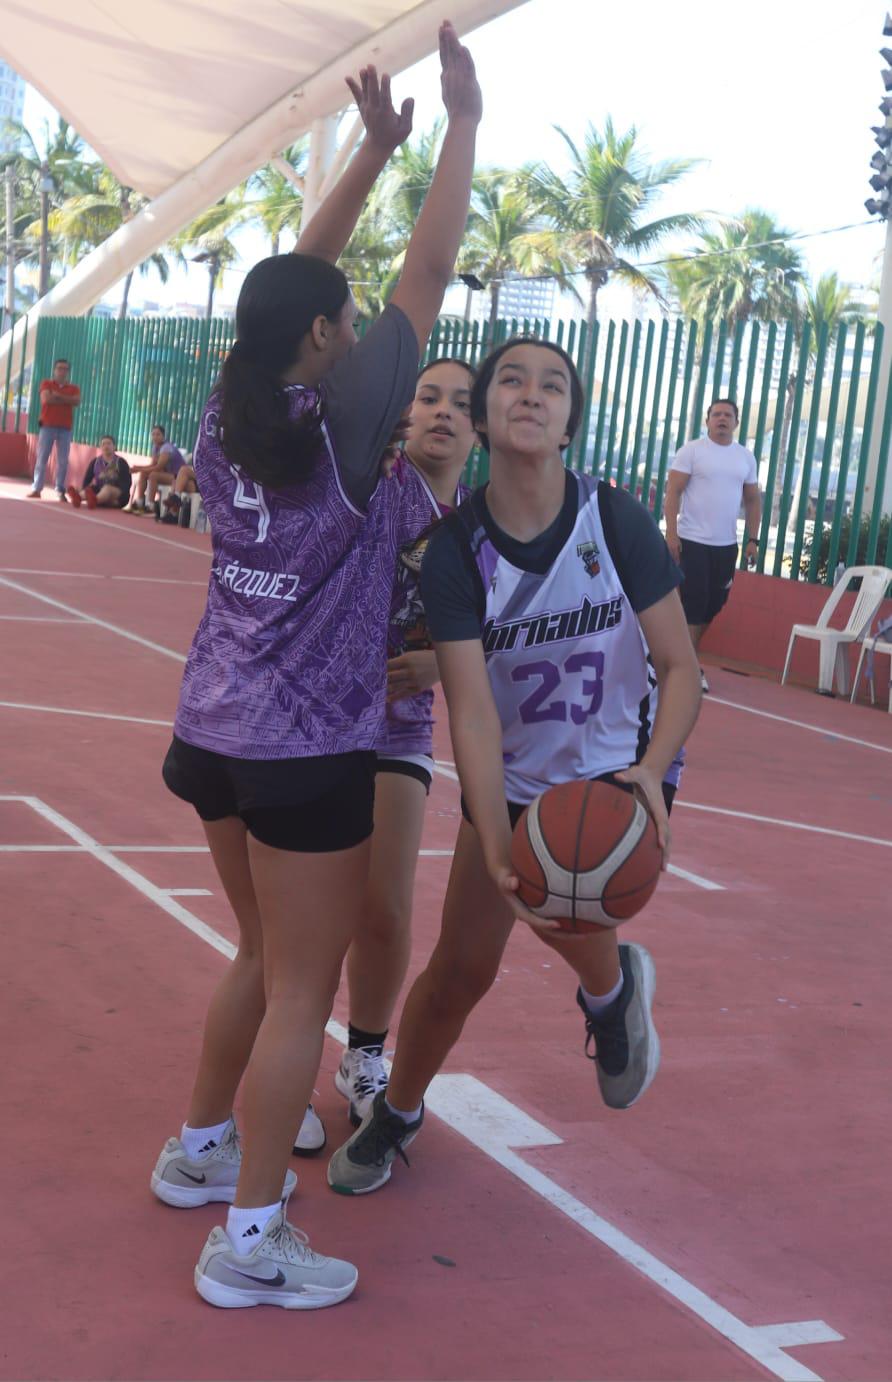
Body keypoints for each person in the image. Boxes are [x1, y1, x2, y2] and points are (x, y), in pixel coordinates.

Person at [151, 27, 482, 1310]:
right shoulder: (350, 422)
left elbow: (292, 284)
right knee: (302, 986)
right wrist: (456, 128)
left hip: (210, 729)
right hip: (305, 751)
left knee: (251, 953)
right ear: (334, 340)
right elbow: (432, 262)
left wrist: (371, 150)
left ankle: (197, 1148)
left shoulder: (231, 399)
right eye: (342, 321)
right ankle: (248, 1235)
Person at [326, 337, 701, 1197]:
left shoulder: (618, 519)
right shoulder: (458, 548)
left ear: (572, 420)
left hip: (616, 768)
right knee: (460, 969)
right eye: (511, 382)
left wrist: (651, 772)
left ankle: (608, 996)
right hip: (521, 772)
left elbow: (682, 669)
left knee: (570, 889)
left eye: (553, 386)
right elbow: (473, 709)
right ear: (488, 415)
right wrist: (496, 842)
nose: (531, 395)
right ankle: (401, 1108)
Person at [333, 357, 476, 1127]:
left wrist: (443, 663)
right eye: (428, 397)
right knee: (316, 911)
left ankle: (363, 1054)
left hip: (399, 723)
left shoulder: (482, 529)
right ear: (404, 411)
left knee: (386, 906)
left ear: (479, 427)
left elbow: (499, 640)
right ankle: (280, 1051)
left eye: (461, 402)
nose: (444, 412)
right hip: (321, 715)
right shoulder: (374, 487)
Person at [662, 398, 762, 693]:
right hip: (693, 541)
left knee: (714, 604)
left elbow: (753, 500)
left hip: (726, 545)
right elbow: (673, 493)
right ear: (707, 421)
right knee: (694, 603)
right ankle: (691, 667)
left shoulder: (745, 457)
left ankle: (680, 658)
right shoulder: (691, 451)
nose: (721, 418)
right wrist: (672, 533)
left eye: (727, 415)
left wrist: (753, 540)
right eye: (716, 414)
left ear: (736, 422)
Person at [27, 358, 81, 500]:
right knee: (42, 458)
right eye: (59, 368)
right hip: (47, 425)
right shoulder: (46, 383)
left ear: (68, 371)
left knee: (63, 460)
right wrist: (66, 399)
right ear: (54, 370)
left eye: (65, 369)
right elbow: (46, 399)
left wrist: (57, 396)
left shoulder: (74, 388)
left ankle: (59, 489)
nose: (62, 371)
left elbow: (76, 401)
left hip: (65, 428)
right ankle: (37, 488)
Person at [128, 425, 188, 512]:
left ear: (163, 436)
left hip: (177, 477)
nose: (155, 437)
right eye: (153, 434)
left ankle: (150, 505)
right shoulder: (155, 447)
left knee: (153, 475)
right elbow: (152, 465)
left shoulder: (166, 448)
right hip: (168, 474)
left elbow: (158, 467)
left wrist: (138, 469)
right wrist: (138, 468)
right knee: (144, 473)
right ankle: (140, 502)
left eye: (158, 434)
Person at [67, 434, 132, 509]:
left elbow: (127, 482)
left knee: (107, 488)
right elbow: (87, 479)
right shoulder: (95, 462)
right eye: (103, 444)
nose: (106, 446)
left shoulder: (120, 462)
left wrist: (121, 498)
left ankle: (95, 500)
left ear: (114, 447)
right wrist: (83, 489)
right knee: (90, 489)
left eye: (109, 444)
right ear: (101, 447)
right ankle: (78, 497)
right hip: (100, 490)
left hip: (117, 496)